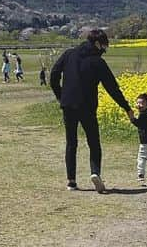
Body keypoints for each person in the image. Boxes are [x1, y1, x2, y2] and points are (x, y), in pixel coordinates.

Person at [50, 27, 134, 194]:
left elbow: (53, 75)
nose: (104, 50)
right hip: (87, 106)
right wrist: (126, 108)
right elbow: (112, 87)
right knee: (94, 142)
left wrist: (61, 95)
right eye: (104, 47)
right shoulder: (97, 61)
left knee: (71, 142)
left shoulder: (69, 54)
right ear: (97, 44)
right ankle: (95, 173)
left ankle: (71, 181)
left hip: (68, 105)